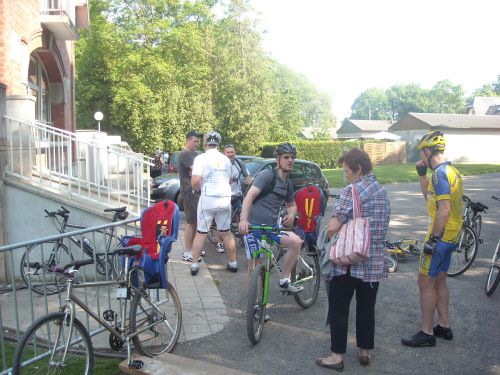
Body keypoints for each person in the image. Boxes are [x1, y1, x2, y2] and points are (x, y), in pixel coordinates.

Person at [316, 148, 390, 371]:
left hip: (348, 261)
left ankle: (336, 356)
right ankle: (364, 351)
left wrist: (330, 234)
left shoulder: (353, 191)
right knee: (367, 307)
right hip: (373, 261)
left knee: (340, 309)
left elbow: (333, 227)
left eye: (347, 171)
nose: (345, 175)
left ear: (358, 169)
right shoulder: (382, 191)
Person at [401, 131, 463, 347]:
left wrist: (432, 240)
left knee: (424, 281)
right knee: (440, 280)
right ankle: (444, 326)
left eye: (421, 154)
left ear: (428, 151)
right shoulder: (451, 171)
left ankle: (426, 333)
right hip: (452, 235)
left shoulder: (439, 174)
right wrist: (421, 175)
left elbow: (443, 210)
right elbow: (431, 198)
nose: (421, 159)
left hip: (440, 237)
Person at [238, 143, 303, 294]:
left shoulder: (287, 184)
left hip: (272, 228)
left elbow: (292, 205)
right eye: (286, 157)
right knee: (256, 265)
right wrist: (243, 220)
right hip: (253, 228)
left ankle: (285, 280)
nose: (290, 160)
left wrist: (291, 214)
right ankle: (255, 305)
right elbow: (249, 197)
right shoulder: (267, 175)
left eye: (292, 157)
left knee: (296, 242)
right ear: (277, 160)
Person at [189, 131, 238, 275]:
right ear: (218, 143)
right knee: (227, 233)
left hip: (208, 199)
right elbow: (229, 180)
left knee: (201, 233)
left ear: (205, 143)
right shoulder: (226, 159)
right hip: (224, 198)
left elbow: (195, 182)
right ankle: (233, 263)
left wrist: (198, 185)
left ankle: (194, 265)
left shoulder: (200, 158)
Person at [214, 144, 253, 253]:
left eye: (232, 152)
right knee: (223, 220)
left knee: (240, 217)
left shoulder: (239, 162)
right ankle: (220, 243)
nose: (230, 154)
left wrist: (252, 186)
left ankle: (242, 238)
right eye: (228, 152)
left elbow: (247, 176)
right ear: (224, 153)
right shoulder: (220, 163)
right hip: (224, 195)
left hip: (237, 193)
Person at [178, 130, 204, 262]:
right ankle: (187, 252)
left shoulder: (193, 153)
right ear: (187, 140)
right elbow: (197, 171)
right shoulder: (186, 154)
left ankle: (194, 248)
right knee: (191, 222)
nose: (197, 143)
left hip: (195, 192)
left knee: (196, 221)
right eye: (195, 141)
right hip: (189, 192)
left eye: (198, 141)